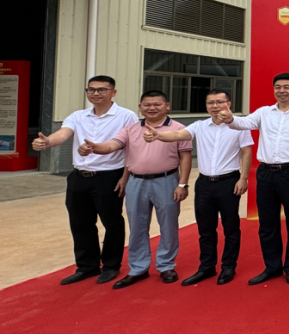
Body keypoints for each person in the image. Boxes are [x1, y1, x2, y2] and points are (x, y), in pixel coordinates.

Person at [217, 72, 289, 286]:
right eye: (277, 87)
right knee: (267, 223)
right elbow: (244, 123)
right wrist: (230, 119)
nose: (281, 91)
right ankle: (272, 266)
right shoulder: (264, 112)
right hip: (266, 173)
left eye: (286, 87)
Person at [31, 76, 137, 286]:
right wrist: (47, 142)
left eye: (102, 89)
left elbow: (133, 148)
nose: (95, 93)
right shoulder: (78, 116)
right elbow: (63, 134)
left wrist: (125, 177)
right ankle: (87, 266)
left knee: (112, 222)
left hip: (109, 176)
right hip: (79, 177)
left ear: (113, 92)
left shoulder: (127, 116)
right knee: (80, 223)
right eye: (91, 89)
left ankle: (111, 265)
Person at [83, 90, 192, 289]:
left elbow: (185, 157)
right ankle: (138, 268)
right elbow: (112, 146)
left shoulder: (178, 129)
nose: (152, 108)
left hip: (167, 181)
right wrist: (94, 147)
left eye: (157, 104)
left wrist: (182, 184)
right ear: (140, 107)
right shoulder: (131, 129)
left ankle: (166, 265)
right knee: (137, 226)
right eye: (147, 104)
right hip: (136, 182)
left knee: (168, 225)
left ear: (167, 106)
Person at [144, 89, 254, 286]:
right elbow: (178, 134)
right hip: (204, 184)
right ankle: (207, 267)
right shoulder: (200, 126)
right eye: (210, 102)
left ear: (228, 103)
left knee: (230, 227)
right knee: (205, 228)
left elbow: (246, 153)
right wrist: (159, 135)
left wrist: (243, 178)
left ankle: (228, 266)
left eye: (219, 102)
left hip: (229, 182)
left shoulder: (239, 126)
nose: (215, 106)